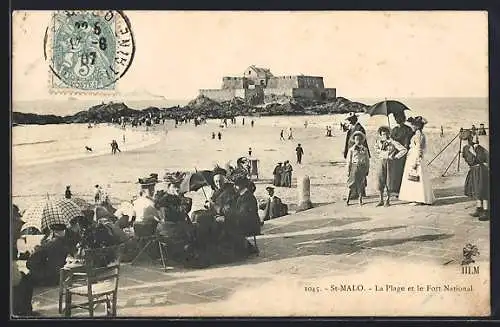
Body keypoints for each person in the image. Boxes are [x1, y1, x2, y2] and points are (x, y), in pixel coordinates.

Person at [399, 116, 435, 205]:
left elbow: (419, 148)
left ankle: (417, 198)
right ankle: (418, 197)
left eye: (414, 125)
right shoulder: (420, 134)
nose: (412, 126)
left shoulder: (418, 135)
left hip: (415, 157)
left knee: (416, 177)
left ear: (417, 126)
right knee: (418, 177)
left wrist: (416, 161)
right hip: (414, 156)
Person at [375, 126, 408, 207]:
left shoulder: (393, 142)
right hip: (381, 161)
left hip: (389, 162)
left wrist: (396, 157)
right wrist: (380, 152)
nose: (384, 136)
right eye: (383, 134)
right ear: (380, 134)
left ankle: (387, 200)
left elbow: (404, 150)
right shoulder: (379, 142)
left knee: (388, 181)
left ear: (389, 134)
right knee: (380, 180)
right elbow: (375, 149)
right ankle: (381, 200)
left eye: (386, 134)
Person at [462, 131, 489, 220]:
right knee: (477, 190)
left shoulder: (479, 148)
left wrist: (477, 153)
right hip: (475, 170)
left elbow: (485, 158)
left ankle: (486, 211)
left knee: (482, 190)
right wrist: (474, 153)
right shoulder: (466, 149)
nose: (476, 139)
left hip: (481, 171)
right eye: (474, 137)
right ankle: (479, 208)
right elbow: (471, 161)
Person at [390, 111, 415, 195]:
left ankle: (403, 189)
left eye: (399, 118)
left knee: (403, 170)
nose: (398, 120)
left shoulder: (408, 129)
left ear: (403, 119)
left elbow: (409, 141)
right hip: (395, 153)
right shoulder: (394, 129)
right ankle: (396, 189)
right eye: (396, 118)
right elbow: (392, 141)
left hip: (405, 152)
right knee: (395, 171)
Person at [346, 131, 370, 206]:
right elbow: (348, 161)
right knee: (351, 184)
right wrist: (348, 171)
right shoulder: (351, 149)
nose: (358, 141)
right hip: (354, 166)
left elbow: (367, 160)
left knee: (360, 184)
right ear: (354, 140)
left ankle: (360, 199)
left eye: (359, 139)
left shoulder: (364, 149)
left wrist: (367, 169)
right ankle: (348, 199)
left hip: (362, 167)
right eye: (356, 139)